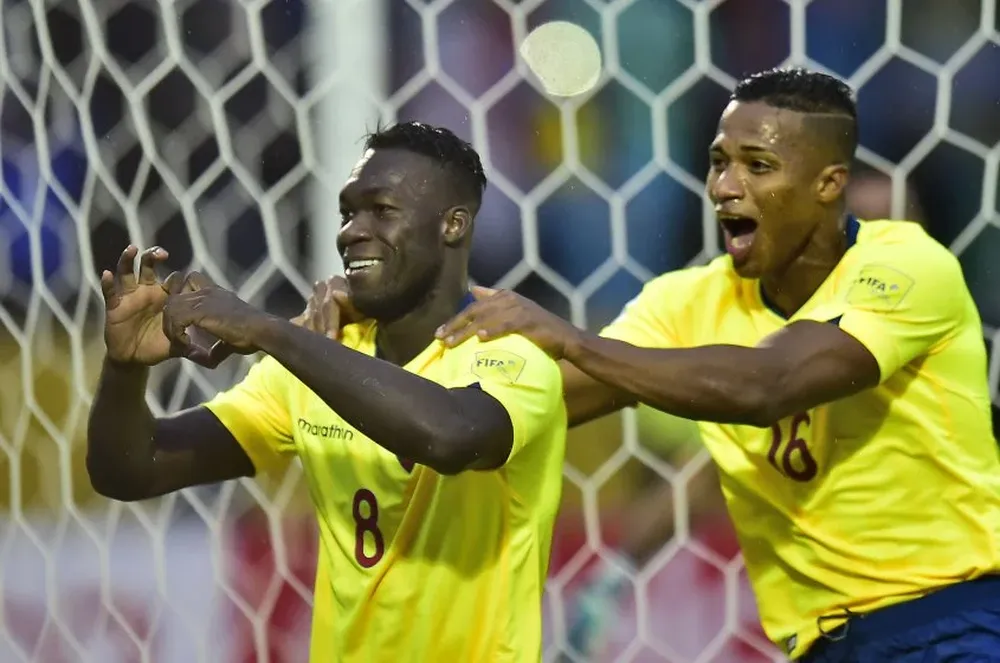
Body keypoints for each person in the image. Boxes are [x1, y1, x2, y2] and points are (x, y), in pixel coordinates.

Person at [429, 68, 1000, 662]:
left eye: (757, 166)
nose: (725, 186)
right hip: (820, 646)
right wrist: (376, 350)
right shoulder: (688, 302)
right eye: (718, 161)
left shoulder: (909, 263)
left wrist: (574, 340)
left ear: (829, 184)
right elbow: (518, 409)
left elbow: (765, 386)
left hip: (951, 622)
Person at [87, 122, 568, 662]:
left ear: (453, 225)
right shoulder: (314, 362)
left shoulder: (515, 360)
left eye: (381, 211)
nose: (351, 232)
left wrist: (268, 329)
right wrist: (125, 369)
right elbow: (130, 470)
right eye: (347, 213)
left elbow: (449, 437)